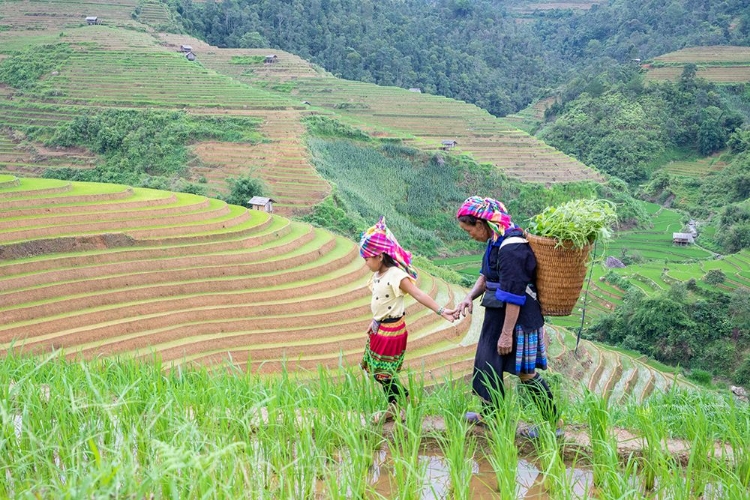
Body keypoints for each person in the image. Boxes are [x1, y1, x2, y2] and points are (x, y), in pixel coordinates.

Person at [453, 196, 562, 437]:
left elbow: (514, 294)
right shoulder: (494, 240)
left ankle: (553, 426)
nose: (469, 234)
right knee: (488, 363)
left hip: (518, 319)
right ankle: (490, 414)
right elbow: (485, 276)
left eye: (469, 229)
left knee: (525, 372)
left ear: (481, 223)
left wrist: (506, 334)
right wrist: (469, 296)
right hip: (497, 313)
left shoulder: (512, 246)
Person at [359, 216, 455, 424]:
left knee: (384, 372)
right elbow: (381, 302)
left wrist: (442, 311)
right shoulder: (378, 275)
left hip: (392, 330)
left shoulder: (395, 275)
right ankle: (397, 405)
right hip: (380, 327)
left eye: (367, 258)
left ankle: (401, 403)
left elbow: (418, 294)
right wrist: (374, 321)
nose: (365, 263)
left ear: (380, 256)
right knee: (378, 371)